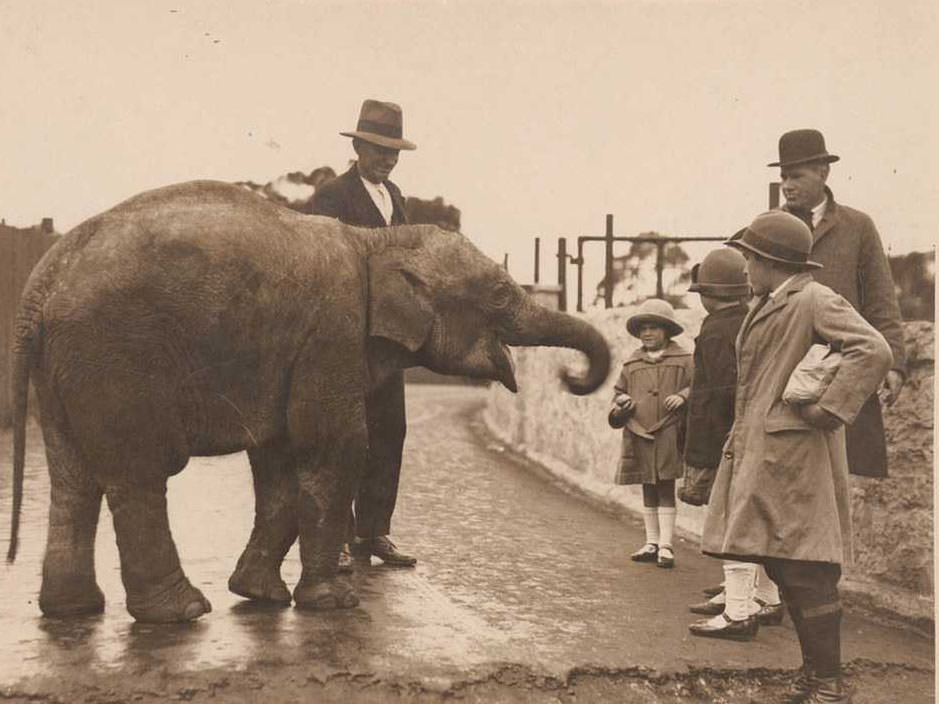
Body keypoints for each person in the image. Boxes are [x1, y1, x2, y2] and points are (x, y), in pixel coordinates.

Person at [703, 211, 892, 703]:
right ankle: (815, 676)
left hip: (795, 455)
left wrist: (829, 408)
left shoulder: (813, 297)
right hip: (768, 453)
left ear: (768, 260)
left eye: (749, 257)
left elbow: (873, 349)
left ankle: (828, 684)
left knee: (808, 568)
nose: (745, 267)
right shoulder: (772, 301)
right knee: (785, 564)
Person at [309, 99, 418, 568]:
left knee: (389, 430)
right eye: (378, 149)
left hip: (385, 338)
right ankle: (335, 538)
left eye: (394, 151)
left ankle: (374, 531)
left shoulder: (397, 197)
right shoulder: (332, 196)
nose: (388, 159)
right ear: (357, 146)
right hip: (344, 333)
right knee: (343, 437)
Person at [767, 128, 906, 478]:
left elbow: (880, 298)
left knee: (847, 472)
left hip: (843, 369)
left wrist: (894, 364)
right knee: (787, 471)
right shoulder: (771, 228)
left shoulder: (857, 226)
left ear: (823, 173)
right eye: (783, 176)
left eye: (796, 175)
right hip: (787, 365)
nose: (787, 185)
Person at [679, 246, 784, 641]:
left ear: (707, 294)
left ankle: (738, 610)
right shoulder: (749, 319)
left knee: (729, 521)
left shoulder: (716, 328)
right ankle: (765, 597)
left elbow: (718, 390)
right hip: (748, 430)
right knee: (753, 519)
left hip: (723, 435)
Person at [609, 298, 693, 569]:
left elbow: (699, 386)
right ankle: (651, 541)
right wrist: (622, 404)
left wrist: (683, 395)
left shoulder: (684, 360)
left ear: (667, 331)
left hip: (669, 430)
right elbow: (619, 392)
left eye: (654, 327)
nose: (648, 333)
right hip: (640, 431)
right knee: (648, 484)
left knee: (666, 483)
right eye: (643, 328)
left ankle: (667, 544)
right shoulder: (632, 364)